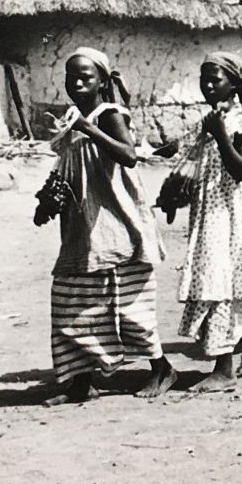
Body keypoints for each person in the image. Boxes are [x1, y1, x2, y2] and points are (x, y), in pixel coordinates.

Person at [37, 47, 176, 403]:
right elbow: (68, 169)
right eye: (72, 77)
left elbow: (128, 155)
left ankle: (162, 368)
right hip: (81, 230)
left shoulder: (109, 114)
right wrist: (47, 202)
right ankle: (81, 383)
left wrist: (87, 127)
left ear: (102, 81)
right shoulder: (73, 118)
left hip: (116, 227)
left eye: (86, 76)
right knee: (72, 304)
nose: (78, 83)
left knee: (130, 305)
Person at [172, 52, 242, 390]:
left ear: (233, 84)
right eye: (203, 79)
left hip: (233, 215)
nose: (207, 85)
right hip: (210, 213)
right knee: (215, 277)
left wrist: (219, 132)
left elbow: (240, 169)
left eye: (215, 79)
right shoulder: (209, 120)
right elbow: (187, 156)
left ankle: (224, 370)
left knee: (220, 283)